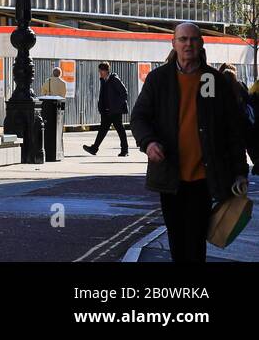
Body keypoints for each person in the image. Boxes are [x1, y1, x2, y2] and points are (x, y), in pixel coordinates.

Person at [130, 22, 250, 263]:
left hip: (204, 178)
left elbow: (233, 131)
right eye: (183, 39)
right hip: (170, 175)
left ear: (201, 44)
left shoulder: (213, 81)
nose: (188, 44)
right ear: (173, 44)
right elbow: (139, 117)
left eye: (193, 39)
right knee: (177, 239)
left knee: (195, 241)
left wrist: (239, 172)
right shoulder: (158, 79)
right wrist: (149, 142)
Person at [84, 61, 130, 156]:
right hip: (106, 111)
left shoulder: (114, 79)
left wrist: (116, 106)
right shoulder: (103, 80)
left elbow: (124, 93)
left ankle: (125, 150)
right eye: (99, 70)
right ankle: (94, 148)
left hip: (115, 111)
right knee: (102, 130)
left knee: (120, 130)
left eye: (101, 70)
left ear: (106, 71)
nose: (99, 72)